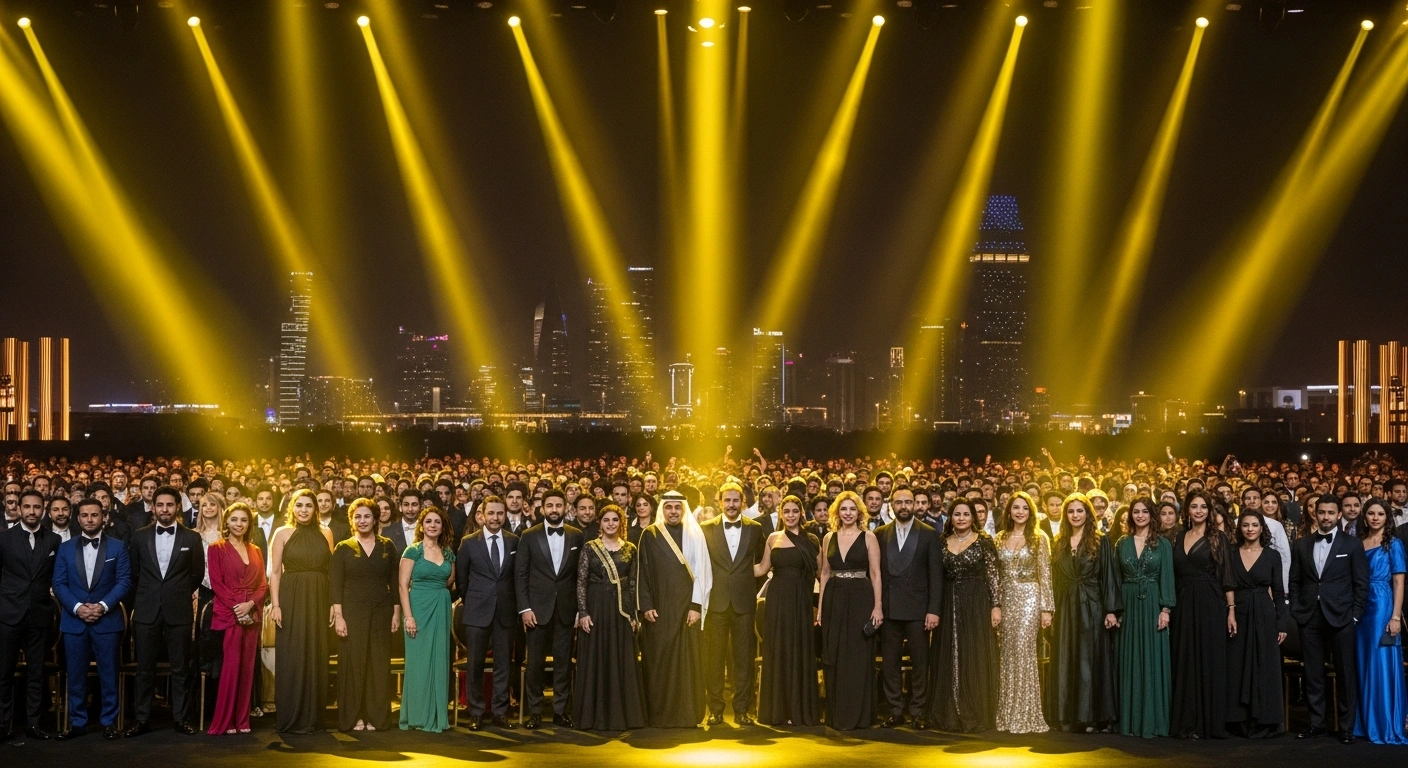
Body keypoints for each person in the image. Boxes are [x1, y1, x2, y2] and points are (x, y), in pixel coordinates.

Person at [126, 486, 205, 737]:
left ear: (177, 507)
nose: (164, 510)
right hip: (147, 610)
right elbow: (134, 573)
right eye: (160, 505)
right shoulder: (139, 536)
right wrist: (152, 594)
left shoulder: (192, 538)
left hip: (178, 610)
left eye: (169, 505)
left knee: (180, 668)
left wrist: (176, 593)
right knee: (144, 668)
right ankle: (141, 719)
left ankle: (180, 719)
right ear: (153, 507)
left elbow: (197, 574)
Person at [1289, 494, 1368, 744]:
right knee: (1313, 675)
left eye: (1330, 513)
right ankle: (1316, 724)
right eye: (1321, 512)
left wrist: (1355, 616)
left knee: (1346, 675)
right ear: (1315, 513)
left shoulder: (1353, 545)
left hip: (1343, 617)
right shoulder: (1301, 544)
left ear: (1339, 515)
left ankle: (1346, 727)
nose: (1325, 517)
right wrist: (1298, 612)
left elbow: (1361, 585)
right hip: (1310, 618)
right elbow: (1295, 581)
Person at [52, 497, 130, 740]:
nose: (89, 519)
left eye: (94, 515)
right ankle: (77, 722)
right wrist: (77, 608)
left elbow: (124, 581)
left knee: (109, 674)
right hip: (74, 621)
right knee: (75, 675)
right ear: (78, 518)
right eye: (84, 515)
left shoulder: (118, 547)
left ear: (104, 517)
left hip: (107, 621)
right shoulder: (65, 548)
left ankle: (109, 722)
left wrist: (102, 606)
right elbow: (59, 583)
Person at [1045, 492, 1121, 733]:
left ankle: (1089, 717)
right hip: (1065, 605)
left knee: (1088, 661)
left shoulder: (1101, 541)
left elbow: (1109, 576)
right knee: (1066, 657)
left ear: (1088, 513)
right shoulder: (1058, 542)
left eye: (1079, 511)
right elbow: (1054, 579)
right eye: (1071, 511)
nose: (1075, 515)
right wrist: (1050, 609)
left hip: (1092, 605)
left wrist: (1111, 610)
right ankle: (1065, 715)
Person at [636, 490, 711, 728]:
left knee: (687, 665)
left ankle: (687, 715)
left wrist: (696, 606)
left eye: (677, 507)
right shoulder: (650, 534)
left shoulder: (695, 534)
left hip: (687, 610)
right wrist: (645, 605)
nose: (673, 512)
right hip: (658, 611)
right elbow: (642, 573)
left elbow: (703, 573)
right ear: (662, 509)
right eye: (668, 507)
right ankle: (659, 716)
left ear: (684, 509)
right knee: (658, 663)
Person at [929, 499, 1000, 733]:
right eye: (956, 514)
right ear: (950, 518)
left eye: (966, 514)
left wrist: (996, 606)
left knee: (973, 654)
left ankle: (973, 711)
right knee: (948, 653)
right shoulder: (941, 543)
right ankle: (950, 712)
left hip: (976, 603)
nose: (961, 518)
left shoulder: (984, 543)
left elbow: (993, 577)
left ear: (974, 518)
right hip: (948, 602)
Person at [573, 504, 646, 730]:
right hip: (595, 607)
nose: (611, 524)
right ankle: (592, 717)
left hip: (621, 610)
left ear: (621, 523)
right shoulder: (589, 547)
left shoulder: (631, 548)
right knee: (596, 658)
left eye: (615, 520)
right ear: (600, 523)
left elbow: (633, 584)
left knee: (620, 659)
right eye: (606, 520)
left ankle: (622, 716)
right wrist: (583, 612)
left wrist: (634, 614)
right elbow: (581, 582)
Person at [874, 488, 942, 729]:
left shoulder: (929, 534)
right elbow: (877, 574)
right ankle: (895, 711)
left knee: (920, 664)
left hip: (918, 611)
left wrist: (933, 609)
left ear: (915, 504)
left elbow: (936, 576)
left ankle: (918, 712)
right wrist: (877, 606)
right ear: (890, 504)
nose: (903, 506)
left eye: (908, 502)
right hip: (890, 609)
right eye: (898, 502)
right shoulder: (880, 534)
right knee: (890, 663)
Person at [330, 499, 400, 732]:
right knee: (353, 664)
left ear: (375, 518)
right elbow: (335, 585)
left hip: (381, 610)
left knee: (377, 664)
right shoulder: (343, 548)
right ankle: (354, 717)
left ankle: (376, 718)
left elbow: (395, 582)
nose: (362, 521)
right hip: (352, 612)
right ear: (352, 520)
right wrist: (339, 617)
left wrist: (396, 613)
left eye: (367, 516)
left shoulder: (387, 546)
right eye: (358, 517)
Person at [515, 488, 583, 729]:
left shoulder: (576, 535)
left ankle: (561, 711)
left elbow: (579, 577)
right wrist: (524, 608)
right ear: (542, 508)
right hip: (536, 611)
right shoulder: (528, 535)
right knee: (534, 665)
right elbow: (520, 575)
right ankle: (534, 712)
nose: (554, 510)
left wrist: (579, 609)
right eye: (550, 506)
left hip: (566, 610)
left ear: (566, 507)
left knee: (563, 664)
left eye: (558, 506)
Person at [268, 488, 334, 734]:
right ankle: (291, 716)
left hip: (319, 595)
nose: (304, 510)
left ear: (315, 509)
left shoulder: (326, 532)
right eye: (300, 505)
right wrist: (275, 604)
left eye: (309, 505)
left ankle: (314, 718)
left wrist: (332, 605)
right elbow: (275, 572)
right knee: (292, 653)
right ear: (292, 508)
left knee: (317, 652)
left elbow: (331, 571)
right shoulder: (282, 532)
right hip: (291, 596)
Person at [699, 481, 764, 726]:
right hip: (716, 602)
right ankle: (714, 709)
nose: (731, 504)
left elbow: (761, 562)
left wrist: (749, 587)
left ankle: (742, 710)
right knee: (714, 658)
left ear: (742, 502)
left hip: (745, 603)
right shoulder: (705, 528)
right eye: (727, 500)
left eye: (736, 500)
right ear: (719, 501)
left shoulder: (756, 529)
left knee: (744, 659)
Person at [754, 495, 821, 726]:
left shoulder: (812, 540)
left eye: (795, 511)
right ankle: (777, 711)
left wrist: (820, 608)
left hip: (801, 600)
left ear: (801, 513)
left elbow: (821, 574)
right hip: (777, 600)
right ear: (781, 514)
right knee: (779, 648)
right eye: (787, 511)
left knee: (800, 649)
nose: (790, 515)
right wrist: (732, 568)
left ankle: (799, 709)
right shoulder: (773, 538)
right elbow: (762, 568)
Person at [1169, 490, 1231, 739]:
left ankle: (1208, 723)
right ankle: (1187, 721)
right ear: (1187, 510)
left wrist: (1231, 611)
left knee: (1207, 659)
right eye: (1193, 506)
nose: (1198, 511)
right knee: (1185, 659)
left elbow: (1227, 576)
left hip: (1210, 602)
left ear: (1209, 511)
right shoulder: (1179, 536)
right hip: (1183, 603)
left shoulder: (1218, 538)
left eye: (1203, 507)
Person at [818, 490, 883, 731]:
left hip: (860, 597)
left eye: (852, 509)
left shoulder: (868, 537)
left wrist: (878, 607)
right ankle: (836, 716)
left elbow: (876, 573)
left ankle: (859, 716)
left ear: (859, 512)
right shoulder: (828, 538)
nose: (847, 513)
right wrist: (821, 608)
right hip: (834, 597)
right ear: (837, 512)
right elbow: (825, 572)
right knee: (834, 656)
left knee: (857, 657)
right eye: (843, 509)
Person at [0, 491, 61, 741]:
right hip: (9, 613)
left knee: (36, 673)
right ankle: (4, 726)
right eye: (27, 507)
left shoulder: (55, 540)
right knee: (3, 673)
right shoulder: (4, 539)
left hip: (39, 614)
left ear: (43, 509)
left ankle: (33, 724)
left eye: (36, 507)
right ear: (19, 509)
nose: (32, 511)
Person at [1112, 497, 1175, 738]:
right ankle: (1130, 722)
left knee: (1152, 660)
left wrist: (1165, 609)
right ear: (1130, 515)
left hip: (1152, 605)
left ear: (1152, 515)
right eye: (1136, 512)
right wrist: (1116, 610)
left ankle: (1154, 721)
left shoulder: (1163, 544)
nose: (1140, 515)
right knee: (1129, 661)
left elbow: (1166, 577)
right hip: (1127, 606)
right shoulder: (1122, 543)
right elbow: (1116, 580)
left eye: (1145, 511)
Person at [455, 495, 518, 730]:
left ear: (505, 515)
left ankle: (500, 711)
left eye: (500, 513)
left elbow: (515, 577)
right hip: (477, 610)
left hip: (506, 611)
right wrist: (474, 599)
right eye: (491, 513)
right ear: (482, 515)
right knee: (475, 665)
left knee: (504, 664)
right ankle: (476, 712)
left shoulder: (514, 541)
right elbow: (462, 580)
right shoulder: (469, 542)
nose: (495, 518)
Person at [993, 491, 1053, 734]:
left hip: (1030, 597)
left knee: (1023, 651)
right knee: (1007, 654)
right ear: (1009, 511)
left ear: (1031, 512)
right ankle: (1007, 714)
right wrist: (995, 604)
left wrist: (1046, 608)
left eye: (1024, 508)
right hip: (1006, 598)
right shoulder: (999, 538)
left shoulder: (1040, 538)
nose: (1020, 512)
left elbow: (1046, 574)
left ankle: (1026, 713)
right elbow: (994, 576)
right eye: (1015, 508)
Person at [205, 502, 267, 735]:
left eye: (243, 520)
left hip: (251, 615)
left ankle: (242, 721)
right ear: (227, 522)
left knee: (247, 669)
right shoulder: (216, 548)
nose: (239, 524)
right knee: (231, 668)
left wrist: (250, 606)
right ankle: (227, 721)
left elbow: (262, 584)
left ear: (249, 524)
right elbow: (217, 584)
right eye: (234, 520)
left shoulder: (257, 550)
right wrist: (239, 610)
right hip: (230, 616)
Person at [1224, 508, 1286, 738]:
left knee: (1264, 665)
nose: (1250, 529)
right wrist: (1230, 611)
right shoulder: (1231, 553)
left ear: (1262, 528)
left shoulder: (1272, 555)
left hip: (1264, 613)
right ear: (1240, 528)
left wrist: (1282, 623)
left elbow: (1278, 591)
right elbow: (1227, 584)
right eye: (1246, 525)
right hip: (1238, 613)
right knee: (1236, 665)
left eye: (1254, 525)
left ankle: (1265, 720)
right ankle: (1237, 720)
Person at [1352, 499, 1406, 744]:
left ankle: (1384, 724)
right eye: (1371, 513)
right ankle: (1364, 723)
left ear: (1387, 517)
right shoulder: (1358, 544)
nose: (1375, 517)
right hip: (1360, 605)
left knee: (1381, 662)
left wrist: (1395, 616)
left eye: (1380, 513)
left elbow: (1399, 582)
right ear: (1365, 517)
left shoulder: (1393, 544)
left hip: (1383, 604)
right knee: (1363, 663)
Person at [399, 506, 455, 733]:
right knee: (418, 663)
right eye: (428, 521)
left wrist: (440, 594)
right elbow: (402, 586)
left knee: (440, 661)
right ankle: (417, 716)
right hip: (418, 609)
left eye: (437, 522)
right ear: (421, 526)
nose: (432, 525)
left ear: (442, 527)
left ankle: (437, 715)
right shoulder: (412, 551)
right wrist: (408, 617)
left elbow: (450, 581)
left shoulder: (449, 553)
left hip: (441, 607)